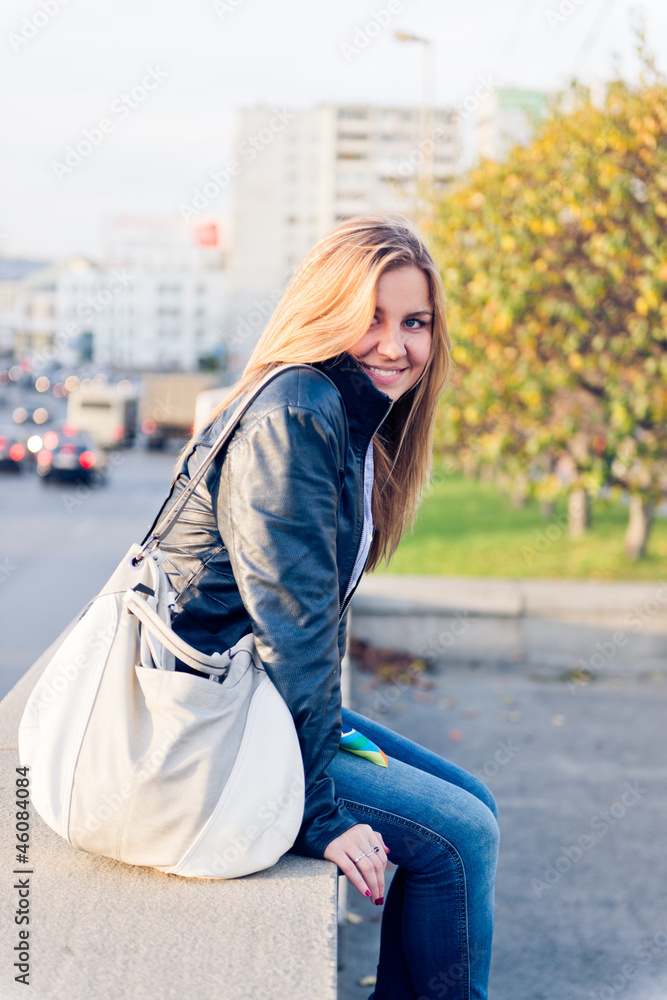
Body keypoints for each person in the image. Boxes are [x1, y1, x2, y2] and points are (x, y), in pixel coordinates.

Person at [145, 215, 499, 1000]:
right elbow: (295, 630)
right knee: (460, 834)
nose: (395, 345)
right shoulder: (297, 411)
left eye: (415, 323)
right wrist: (319, 813)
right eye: (369, 317)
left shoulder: (338, 416)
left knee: (474, 804)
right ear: (322, 312)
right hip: (212, 721)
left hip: (255, 696)